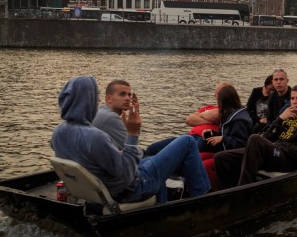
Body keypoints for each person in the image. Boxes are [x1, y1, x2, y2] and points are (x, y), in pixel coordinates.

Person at [50, 76, 209, 203]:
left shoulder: (59, 133)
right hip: (130, 189)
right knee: (187, 142)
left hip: (104, 186)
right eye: (95, 96)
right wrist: (133, 134)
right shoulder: (95, 137)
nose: (98, 101)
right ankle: (201, 201)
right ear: (87, 101)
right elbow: (126, 176)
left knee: (154, 159)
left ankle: (161, 208)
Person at [214, 84, 297, 188]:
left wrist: (278, 146)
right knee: (221, 157)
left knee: (254, 139)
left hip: (289, 161)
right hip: (274, 153)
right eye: (292, 98)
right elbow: (266, 137)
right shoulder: (288, 117)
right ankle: (226, 193)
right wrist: (280, 119)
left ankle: (243, 190)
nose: (294, 102)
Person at [144, 82, 228, 155]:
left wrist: (201, 115)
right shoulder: (208, 107)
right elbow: (189, 120)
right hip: (189, 136)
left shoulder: (228, 110)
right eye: (218, 93)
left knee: (183, 152)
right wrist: (210, 119)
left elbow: (217, 115)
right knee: (152, 149)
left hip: (203, 138)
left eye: (223, 92)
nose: (220, 95)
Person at [201, 84, 253, 190]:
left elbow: (242, 144)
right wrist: (212, 134)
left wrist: (223, 139)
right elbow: (223, 133)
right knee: (199, 157)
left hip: (235, 158)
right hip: (225, 151)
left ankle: (215, 192)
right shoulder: (229, 114)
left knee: (206, 166)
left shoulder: (239, 120)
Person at [91, 79, 133, 149]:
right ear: (108, 98)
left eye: (129, 95)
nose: (128, 98)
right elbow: (132, 151)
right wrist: (134, 130)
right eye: (122, 94)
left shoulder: (101, 109)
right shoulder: (111, 117)